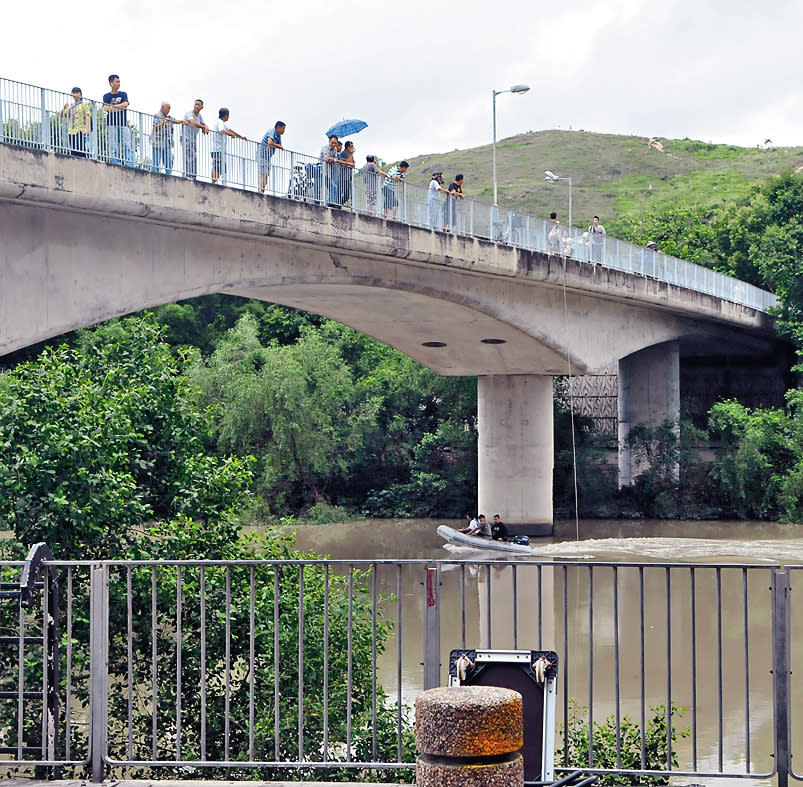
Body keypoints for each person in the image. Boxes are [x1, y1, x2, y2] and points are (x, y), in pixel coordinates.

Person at [102, 74, 133, 167]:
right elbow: (106, 108)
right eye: (117, 81)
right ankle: (116, 162)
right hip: (111, 123)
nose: (119, 83)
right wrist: (119, 107)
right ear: (111, 83)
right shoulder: (106, 96)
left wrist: (113, 107)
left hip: (123, 123)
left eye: (119, 81)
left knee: (127, 144)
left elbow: (125, 104)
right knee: (113, 144)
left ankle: (129, 163)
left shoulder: (123, 94)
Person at [211, 108, 247, 185]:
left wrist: (240, 137)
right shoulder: (220, 122)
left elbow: (230, 130)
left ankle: (213, 182)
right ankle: (213, 183)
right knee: (218, 167)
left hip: (219, 150)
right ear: (226, 115)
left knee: (221, 168)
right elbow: (222, 131)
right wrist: (231, 135)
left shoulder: (221, 123)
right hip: (218, 149)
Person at [151, 102, 182, 175]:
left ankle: (169, 173)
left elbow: (175, 121)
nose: (169, 110)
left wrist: (182, 121)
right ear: (162, 108)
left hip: (167, 140)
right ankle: (155, 173)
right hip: (158, 140)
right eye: (168, 108)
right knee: (156, 158)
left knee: (169, 158)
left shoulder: (168, 117)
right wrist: (164, 122)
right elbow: (155, 128)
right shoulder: (157, 116)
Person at [60, 87, 92, 158]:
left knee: (81, 148)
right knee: (73, 150)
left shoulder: (84, 105)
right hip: (71, 131)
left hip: (81, 130)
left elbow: (88, 116)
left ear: (80, 94)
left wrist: (87, 129)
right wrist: (64, 108)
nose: (75, 95)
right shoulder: (71, 106)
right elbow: (62, 115)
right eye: (74, 93)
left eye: (77, 93)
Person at [181, 99, 209, 180]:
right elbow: (192, 122)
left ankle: (192, 175)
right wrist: (203, 127)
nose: (196, 106)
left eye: (198, 105)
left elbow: (203, 123)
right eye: (195, 104)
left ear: (202, 107)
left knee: (193, 156)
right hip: (186, 138)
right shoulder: (189, 113)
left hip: (193, 139)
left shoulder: (200, 116)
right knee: (189, 156)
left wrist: (205, 126)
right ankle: (188, 175)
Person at [258, 121, 286, 194]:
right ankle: (261, 191)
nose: (284, 131)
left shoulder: (278, 135)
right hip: (262, 155)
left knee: (266, 174)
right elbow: (270, 142)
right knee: (265, 174)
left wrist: (273, 145)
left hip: (267, 157)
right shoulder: (272, 131)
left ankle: (261, 191)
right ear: (278, 127)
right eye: (283, 129)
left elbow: (280, 145)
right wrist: (273, 144)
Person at [319, 134, 340, 205]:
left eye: (335, 143)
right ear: (329, 141)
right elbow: (327, 159)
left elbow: (335, 159)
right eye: (332, 142)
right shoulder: (325, 148)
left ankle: (328, 203)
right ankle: (326, 203)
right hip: (322, 171)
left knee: (333, 188)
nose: (333, 144)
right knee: (329, 188)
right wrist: (333, 159)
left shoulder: (335, 149)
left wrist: (333, 159)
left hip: (329, 172)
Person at [338, 140, 356, 206]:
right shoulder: (343, 153)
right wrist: (351, 154)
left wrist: (351, 156)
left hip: (349, 177)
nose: (353, 148)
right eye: (351, 146)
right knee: (340, 192)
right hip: (342, 176)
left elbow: (353, 164)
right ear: (348, 147)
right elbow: (347, 162)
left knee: (347, 194)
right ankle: (337, 205)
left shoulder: (351, 155)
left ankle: (340, 204)